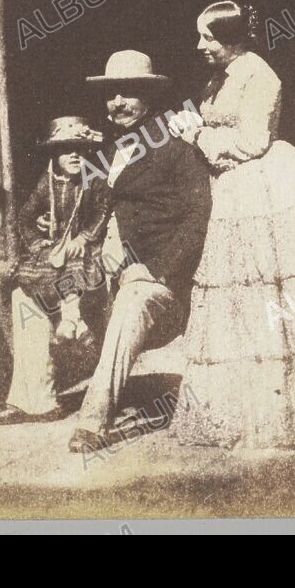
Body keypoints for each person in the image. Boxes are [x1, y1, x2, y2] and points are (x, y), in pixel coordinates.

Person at [168, 0, 295, 448]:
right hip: (234, 189)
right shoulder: (218, 78)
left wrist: (197, 134)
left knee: (276, 290)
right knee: (240, 295)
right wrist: (194, 123)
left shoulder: (260, 75)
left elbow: (252, 141)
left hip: (266, 186)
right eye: (200, 36)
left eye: (209, 36)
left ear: (235, 37)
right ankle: (241, 414)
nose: (200, 45)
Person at [68, 50, 213, 454]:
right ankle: (32, 397)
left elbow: (197, 218)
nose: (118, 103)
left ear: (149, 96)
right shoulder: (103, 155)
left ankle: (93, 421)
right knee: (29, 292)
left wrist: (156, 271)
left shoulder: (177, 149)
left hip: (160, 286)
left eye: (129, 93)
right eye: (112, 94)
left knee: (132, 301)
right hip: (105, 274)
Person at [0, 116, 111, 425]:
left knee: (72, 275)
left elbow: (104, 212)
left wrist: (84, 237)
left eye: (80, 149)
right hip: (52, 258)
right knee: (22, 295)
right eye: (66, 150)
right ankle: (32, 399)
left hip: (87, 257)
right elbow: (25, 218)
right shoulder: (46, 182)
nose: (74, 156)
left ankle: (73, 320)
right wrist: (40, 239)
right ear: (54, 154)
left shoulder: (94, 179)